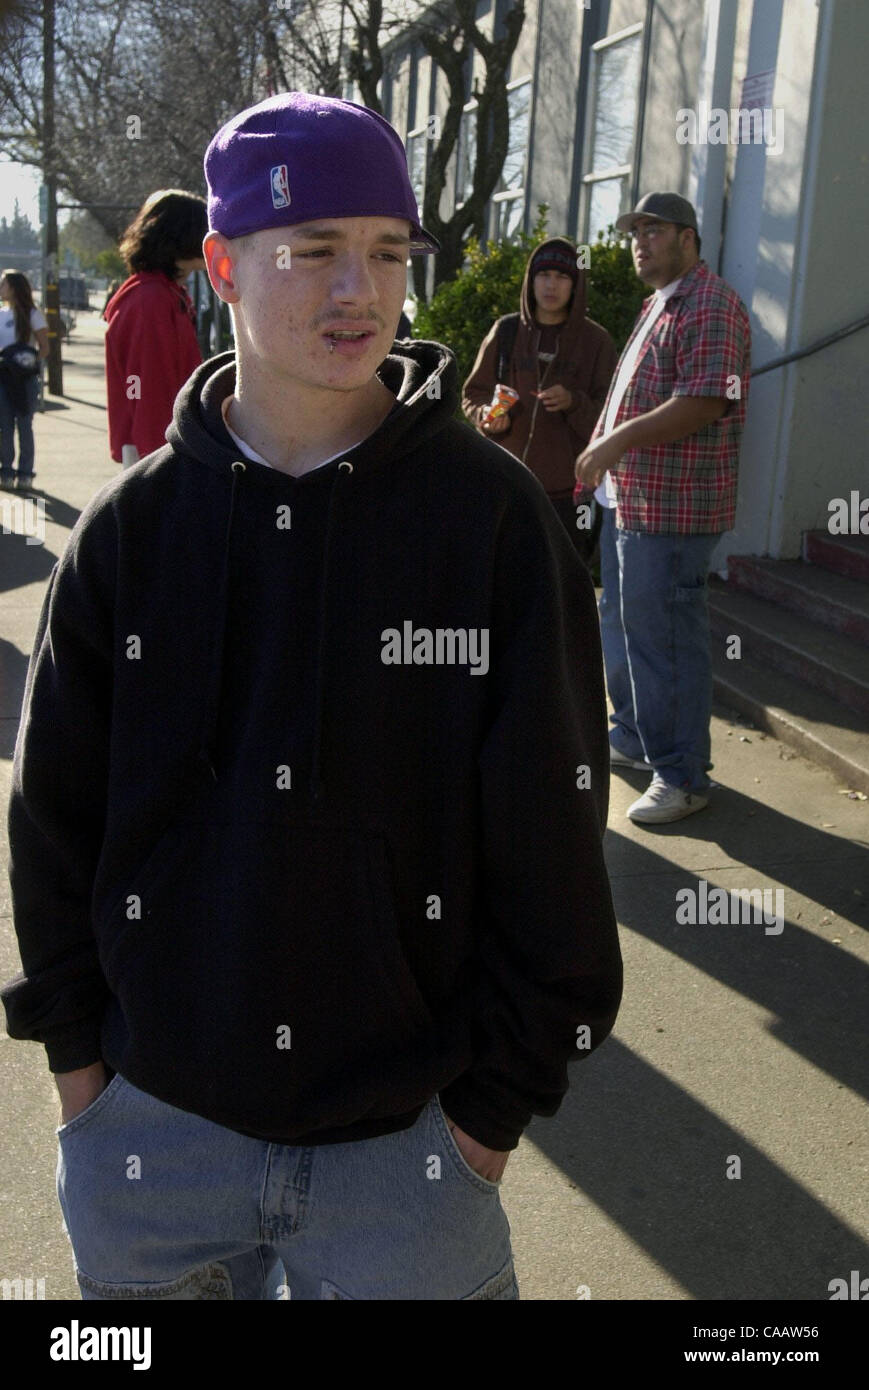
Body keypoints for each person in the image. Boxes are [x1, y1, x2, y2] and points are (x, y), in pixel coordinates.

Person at [2, 92, 622, 1302]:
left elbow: (554, 829)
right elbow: (52, 822)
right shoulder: (132, 533)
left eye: (386, 251)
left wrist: (488, 1115)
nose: (361, 291)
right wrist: (82, 1071)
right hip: (152, 1143)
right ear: (222, 267)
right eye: (315, 251)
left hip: (409, 1162)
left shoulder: (492, 524)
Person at [575, 192, 751, 825]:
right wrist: (602, 458)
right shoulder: (659, 304)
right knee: (622, 625)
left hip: (676, 508)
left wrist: (614, 442)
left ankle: (682, 775)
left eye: (654, 231)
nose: (640, 242)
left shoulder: (711, 302)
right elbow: (630, 395)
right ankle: (632, 737)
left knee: (666, 642)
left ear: (689, 237)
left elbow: (706, 400)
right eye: (633, 233)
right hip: (633, 500)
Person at [462, 237, 617, 566]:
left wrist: (574, 402)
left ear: (575, 286)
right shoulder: (505, 331)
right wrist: (486, 416)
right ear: (530, 281)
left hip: (567, 496)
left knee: (560, 587)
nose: (551, 285)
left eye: (562, 277)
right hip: (504, 486)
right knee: (499, 583)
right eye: (543, 275)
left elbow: (612, 418)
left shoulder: (596, 342)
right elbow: (473, 394)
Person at [103, 189, 207, 467]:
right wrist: (162, 461)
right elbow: (150, 388)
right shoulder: (152, 300)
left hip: (161, 447)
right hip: (158, 452)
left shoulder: (159, 294)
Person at [0, 269, 49, 491]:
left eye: (4, 284)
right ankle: (6, 472)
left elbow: (44, 347)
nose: (1, 289)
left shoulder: (32, 314)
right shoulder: (1, 314)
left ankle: (26, 473)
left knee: (24, 425)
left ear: (14, 288)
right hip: (3, 377)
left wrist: (27, 364)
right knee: (5, 426)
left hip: (25, 381)